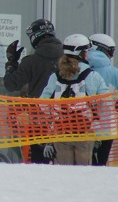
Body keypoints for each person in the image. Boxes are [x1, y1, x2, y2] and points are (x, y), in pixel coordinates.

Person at [39, 34, 110, 165]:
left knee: (64, 174)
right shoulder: (93, 76)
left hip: (61, 132)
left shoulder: (55, 76)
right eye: (87, 51)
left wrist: (52, 126)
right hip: (85, 132)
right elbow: (106, 103)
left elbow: (43, 103)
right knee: (83, 175)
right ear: (82, 53)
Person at [4, 18, 63, 163]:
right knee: (66, 161)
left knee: (39, 160)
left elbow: (11, 84)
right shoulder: (69, 57)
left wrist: (11, 62)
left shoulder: (31, 61)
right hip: (66, 118)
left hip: (39, 119)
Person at [86, 33, 118, 165]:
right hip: (107, 125)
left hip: (82, 124)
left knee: (83, 163)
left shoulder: (79, 68)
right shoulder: (113, 72)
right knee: (101, 163)